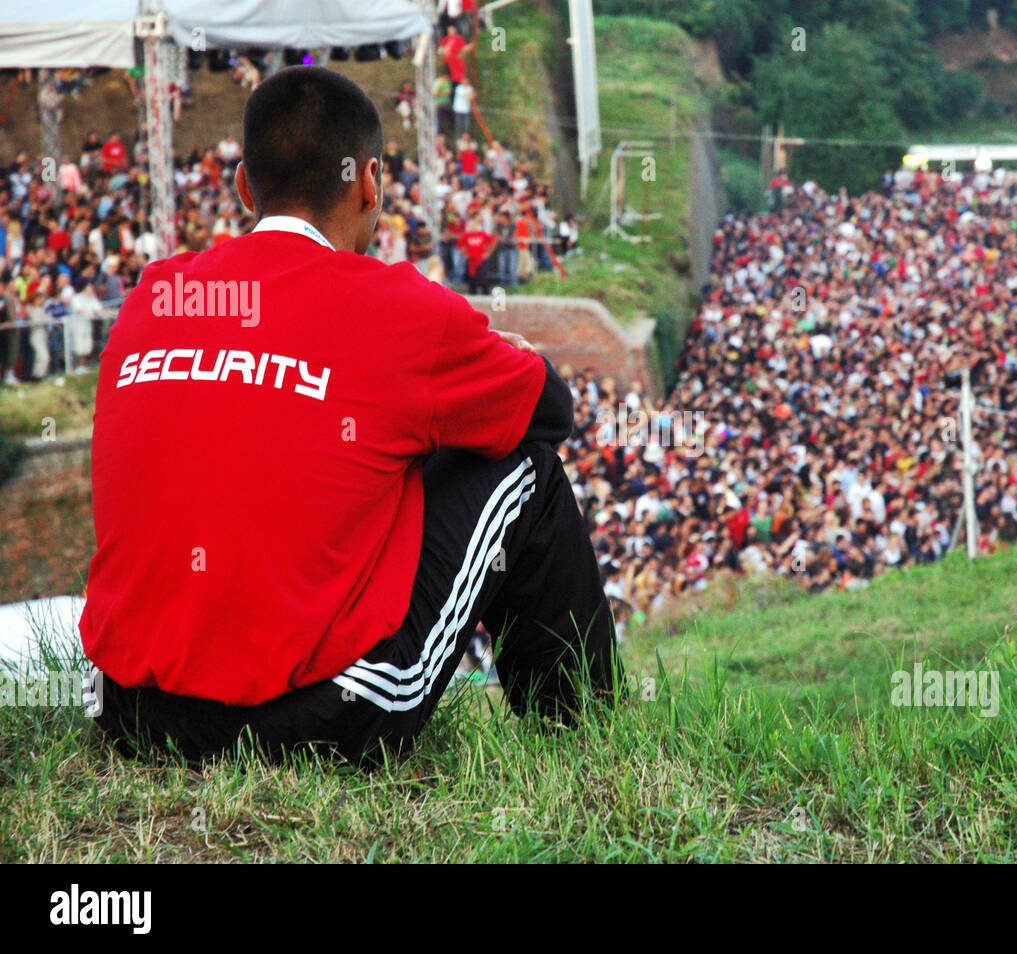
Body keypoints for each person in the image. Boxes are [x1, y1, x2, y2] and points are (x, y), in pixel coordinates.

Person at [81, 66, 621, 765]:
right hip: (311, 723)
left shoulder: (155, 296)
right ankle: (583, 738)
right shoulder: (399, 310)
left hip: (129, 710)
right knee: (531, 476)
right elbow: (549, 412)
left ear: (245, 187)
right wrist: (497, 363)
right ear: (369, 184)